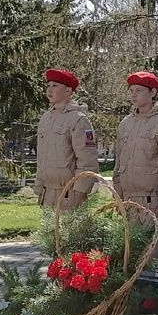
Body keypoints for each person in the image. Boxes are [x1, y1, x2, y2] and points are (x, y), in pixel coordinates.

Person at [113, 71, 158, 259]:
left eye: (139, 90)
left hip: (152, 202)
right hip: (129, 202)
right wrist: (118, 196)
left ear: (153, 92)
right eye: (131, 91)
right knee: (129, 257)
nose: (133, 95)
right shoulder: (125, 124)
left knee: (155, 256)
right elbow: (119, 163)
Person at [34, 68, 99, 211]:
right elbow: (42, 156)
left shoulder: (78, 120)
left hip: (69, 194)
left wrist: (80, 193)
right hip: (47, 193)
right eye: (48, 86)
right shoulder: (46, 119)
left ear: (68, 91)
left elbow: (87, 160)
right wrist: (39, 185)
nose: (49, 90)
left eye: (55, 86)